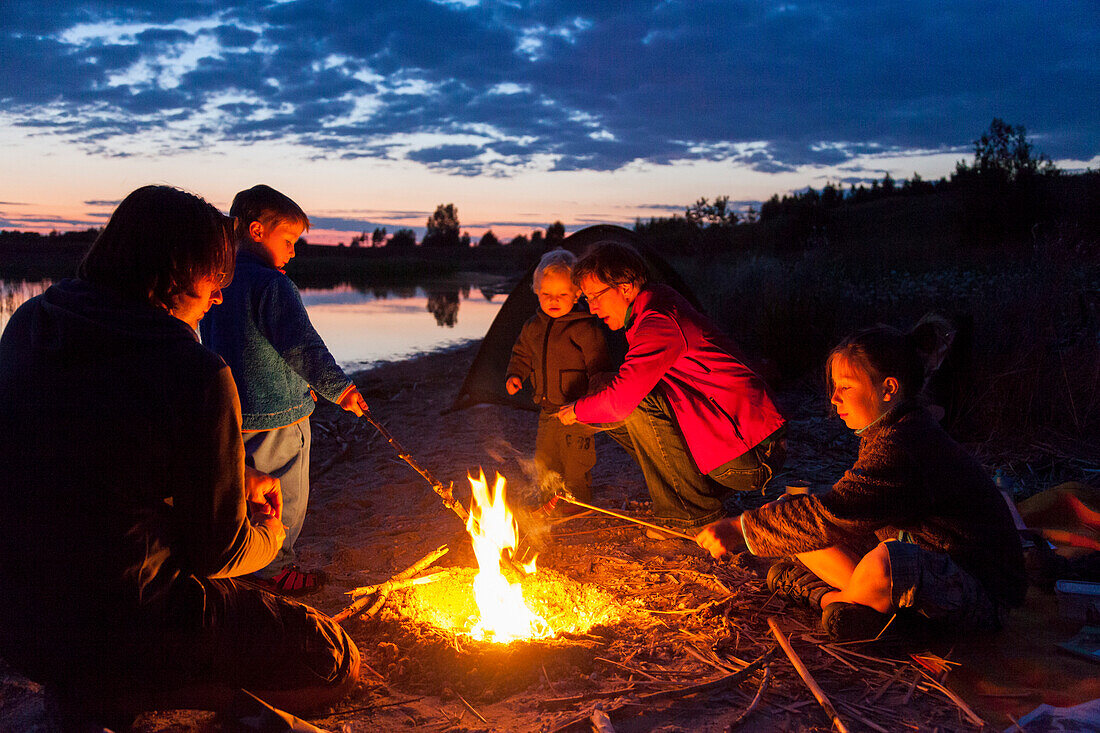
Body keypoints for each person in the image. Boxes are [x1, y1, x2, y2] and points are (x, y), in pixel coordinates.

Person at [0, 185, 359, 725]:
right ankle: (164, 688)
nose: (219, 296)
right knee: (331, 657)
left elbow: (97, 461)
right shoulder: (195, 371)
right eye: (215, 277)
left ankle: (96, 680)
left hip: (20, 623)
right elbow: (218, 553)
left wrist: (236, 471)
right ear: (172, 272)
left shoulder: (30, 322)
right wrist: (270, 533)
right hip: (126, 619)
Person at [696, 320, 1027, 640]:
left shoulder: (906, 444)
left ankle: (857, 610)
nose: (834, 399)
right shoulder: (889, 431)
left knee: (887, 563)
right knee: (791, 527)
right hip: (921, 552)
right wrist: (763, 525)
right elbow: (841, 513)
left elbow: (839, 511)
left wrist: (742, 528)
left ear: (888, 389)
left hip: (978, 590)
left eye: (846, 387)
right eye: (834, 388)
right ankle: (853, 605)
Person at [200, 184, 368, 596]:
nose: (293, 252)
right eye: (289, 241)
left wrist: (299, 384)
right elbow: (299, 346)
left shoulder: (218, 282)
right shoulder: (273, 286)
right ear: (256, 231)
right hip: (278, 416)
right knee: (284, 494)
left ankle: (243, 559)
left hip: (233, 411)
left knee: (243, 488)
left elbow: (246, 347)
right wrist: (339, 390)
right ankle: (275, 566)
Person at [555, 241, 787, 537]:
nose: (592, 307)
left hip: (753, 457)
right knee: (608, 393)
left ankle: (692, 515)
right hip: (739, 443)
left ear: (625, 288)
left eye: (596, 296)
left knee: (629, 402)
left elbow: (623, 400)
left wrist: (576, 410)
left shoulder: (658, 320)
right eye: (586, 299)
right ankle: (694, 495)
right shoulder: (653, 306)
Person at [505, 249, 610, 506]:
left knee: (576, 460)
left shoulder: (584, 328)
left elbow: (599, 365)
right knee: (545, 457)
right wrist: (516, 375)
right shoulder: (533, 327)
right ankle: (548, 499)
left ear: (577, 295)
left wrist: (592, 398)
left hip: (576, 411)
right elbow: (522, 354)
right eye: (546, 294)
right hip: (547, 410)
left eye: (562, 294)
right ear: (537, 292)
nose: (554, 300)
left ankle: (578, 500)